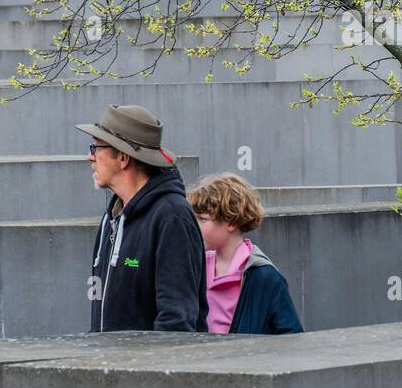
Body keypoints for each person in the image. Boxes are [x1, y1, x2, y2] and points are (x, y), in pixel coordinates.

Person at [78, 104, 208, 333]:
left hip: (150, 367)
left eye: (96, 147)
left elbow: (176, 322)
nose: (90, 157)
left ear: (123, 157)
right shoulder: (112, 216)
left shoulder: (172, 217)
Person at [189, 173, 303, 335]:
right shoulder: (196, 267)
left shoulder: (265, 276)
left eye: (202, 219)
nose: (194, 225)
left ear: (231, 222)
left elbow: (291, 335)